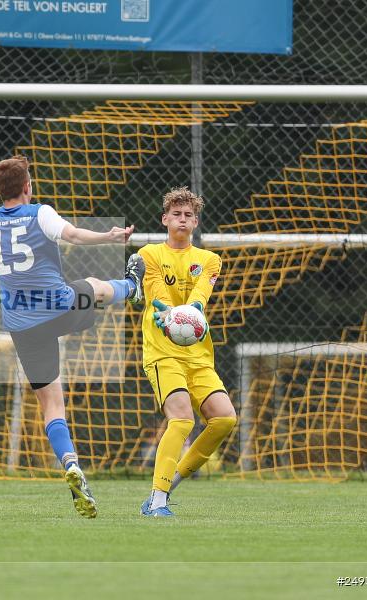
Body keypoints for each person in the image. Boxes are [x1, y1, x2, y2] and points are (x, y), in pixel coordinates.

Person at [0, 155, 144, 518]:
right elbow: (71, 235)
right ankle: (133, 287)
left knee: (52, 405)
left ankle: (69, 462)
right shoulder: (40, 212)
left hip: (22, 325)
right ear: (27, 187)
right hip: (59, 308)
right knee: (97, 287)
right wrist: (110, 236)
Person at [135, 187, 237, 517]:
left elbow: (199, 297)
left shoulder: (209, 260)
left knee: (224, 419)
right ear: (165, 219)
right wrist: (166, 312)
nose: (182, 219)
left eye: (188, 215)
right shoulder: (148, 255)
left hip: (198, 354)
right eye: (176, 214)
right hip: (162, 352)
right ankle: (159, 501)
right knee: (181, 419)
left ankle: (167, 486)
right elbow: (156, 295)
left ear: (196, 222)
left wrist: (189, 313)